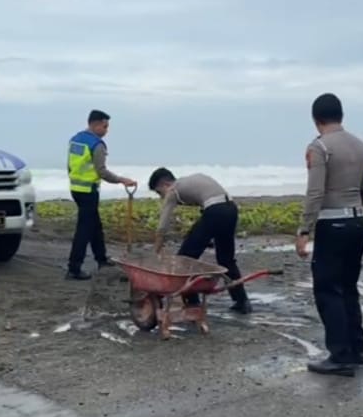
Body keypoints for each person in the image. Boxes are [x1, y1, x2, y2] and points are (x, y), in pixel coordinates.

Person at [296, 93, 363, 377]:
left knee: (328, 290)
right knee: (349, 287)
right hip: (357, 223)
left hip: (332, 224)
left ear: (317, 120)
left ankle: (340, 355)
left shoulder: (319, 147)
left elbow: (315, 192)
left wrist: (304, 229)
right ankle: (358, 349)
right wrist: (361, 216)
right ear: (341, 116)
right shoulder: (362, 146)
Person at [148, 168, 252, 315]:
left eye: (159, 193)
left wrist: (156, 251)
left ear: (165, 184)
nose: (161, 198)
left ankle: (192, 303)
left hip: (215, 211)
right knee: (226, 259)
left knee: (184, 259)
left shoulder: (173, 190)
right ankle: (242, 301)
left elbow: (162, 226)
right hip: (231, 209)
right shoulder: (191, 179)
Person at [66, 110, 137, 281]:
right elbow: (102, 171)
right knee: (84, 230)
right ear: (96, 124)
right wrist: (122, 180)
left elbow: (70, 165)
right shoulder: (97, 145)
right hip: (89, 191)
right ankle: (74, 268)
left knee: (95, 225)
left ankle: (101, 258)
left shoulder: (75, 139)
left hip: (76, 189)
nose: (106, 130)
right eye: (105, 126)